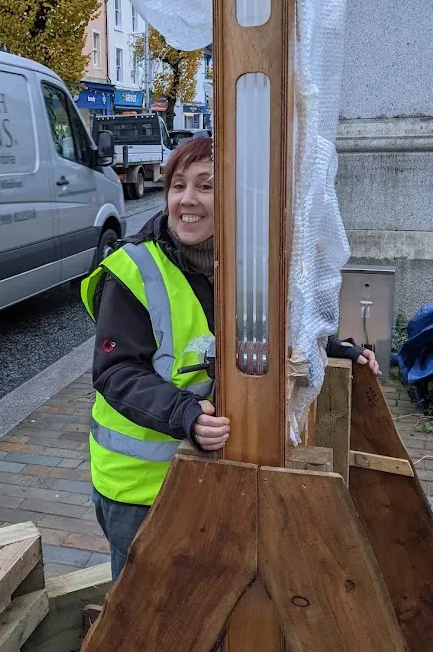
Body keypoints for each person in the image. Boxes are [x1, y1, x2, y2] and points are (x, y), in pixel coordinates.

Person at [80, 136, 379, 581]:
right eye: (177, 185)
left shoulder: (244, 266)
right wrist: (184, 413)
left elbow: (267, 338)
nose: (187, 200)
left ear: (235, 197)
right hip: (138, 489)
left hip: (207, 475)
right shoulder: (133, 269)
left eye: (206, 186)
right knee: (142, 624)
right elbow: (116, 371)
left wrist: (338, 353)